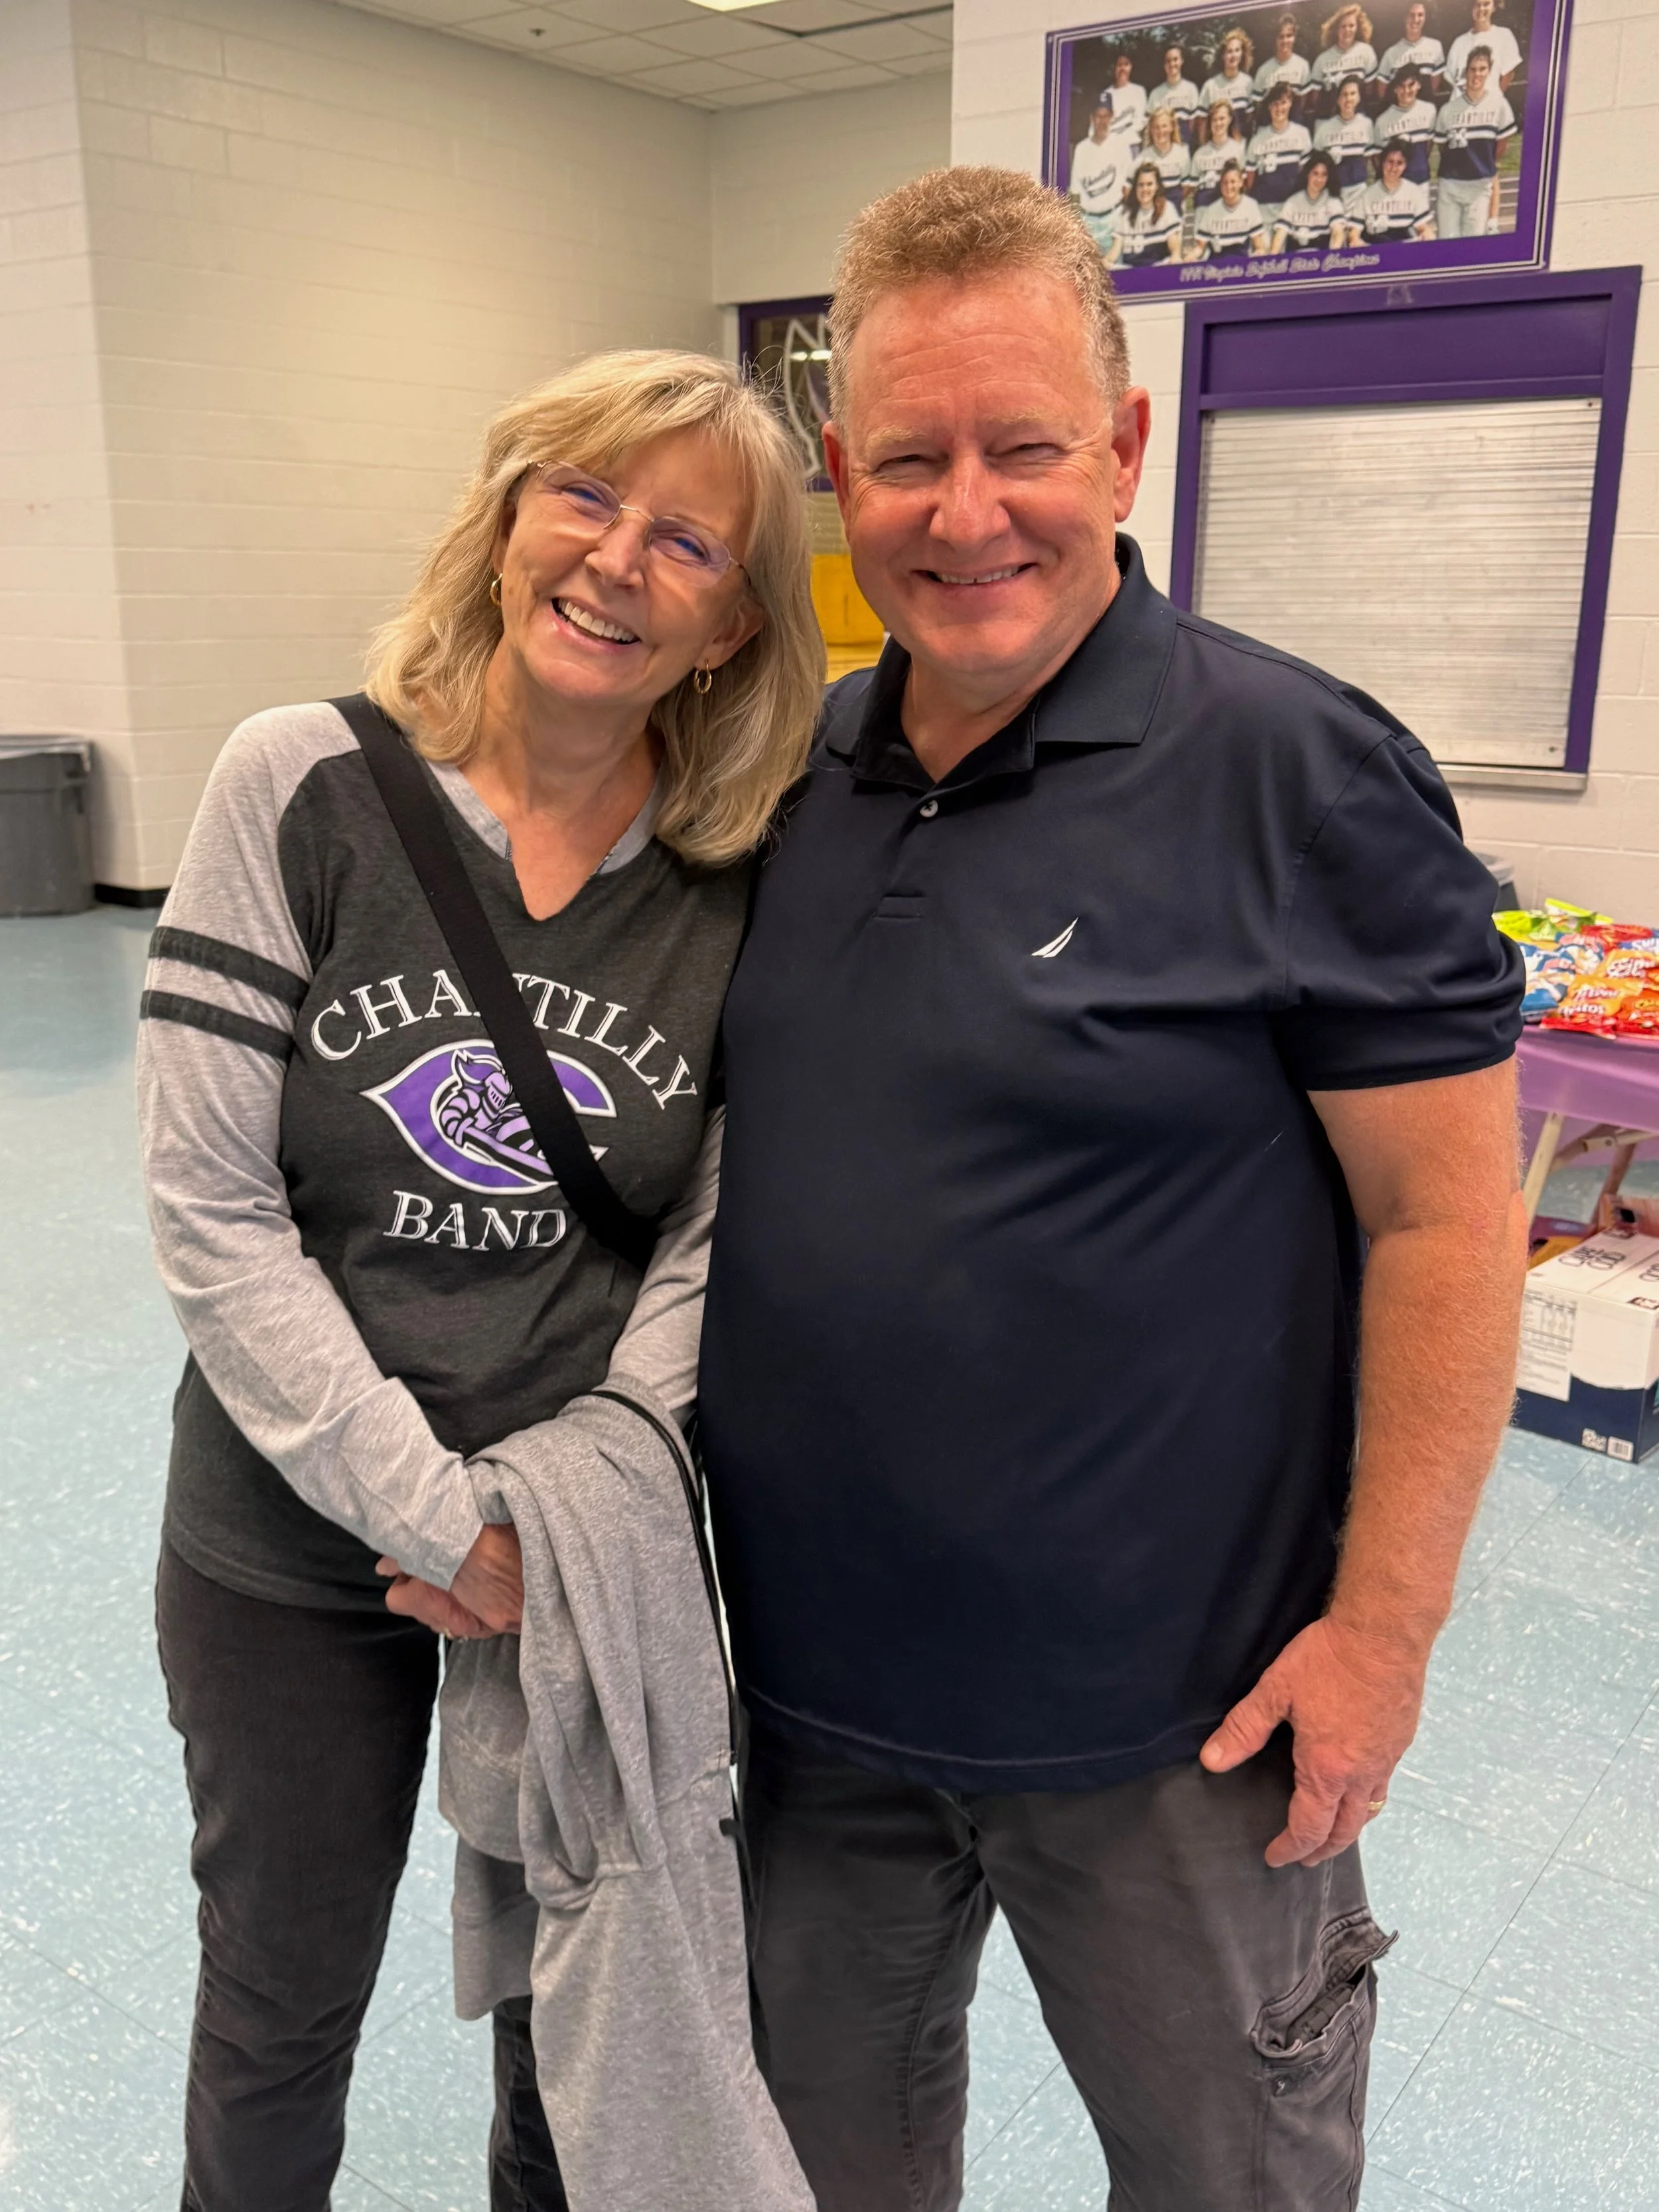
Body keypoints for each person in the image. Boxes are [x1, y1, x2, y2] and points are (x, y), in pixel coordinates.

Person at [699, 162, 1526, 2212]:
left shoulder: (1299, 773)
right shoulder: (781, 779)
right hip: (809, 1709)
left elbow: (1445, 1222)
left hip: (1174, 1727)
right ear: (835, 474)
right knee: (824, 2177)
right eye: (906, 457)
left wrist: (1380, 1636)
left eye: (1022, 447)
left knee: (1225, 2175)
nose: (964, 510)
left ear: (1126, 445)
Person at [139, 350, 822, 2212]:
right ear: (507, 516)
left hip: (574, 1554)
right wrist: (430, 1511)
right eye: (581, 496)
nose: (615, 560)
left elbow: (710, 1233)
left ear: (730, 623)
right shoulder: (300, 782)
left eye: (685, 540)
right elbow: (208, 1204)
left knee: (577, 2000)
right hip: (288, 1542)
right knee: (277, 2006)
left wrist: (549, 1503)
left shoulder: (742, 871)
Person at [1435, 43, 1517, 235]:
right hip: (1450, 186)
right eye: (1473, 70)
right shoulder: (1448, 111)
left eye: (1482, 69)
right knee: (1448, 243)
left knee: (1473, 243)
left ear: (1489, 72)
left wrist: (1483, 164)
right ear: (1466, 72)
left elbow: (1501, 145)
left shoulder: (1499, 106)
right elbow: (1442, 147)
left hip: (1480, 187)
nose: (1477, 74)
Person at [1245, 81, 1315, 216]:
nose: (1279, 108)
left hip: (1293, 207)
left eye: (1284, 103)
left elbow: (1306, 174)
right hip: (1265, 207)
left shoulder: (1302, 134)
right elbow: (1251, 179)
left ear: (1291, 104)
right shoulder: (1257, 140)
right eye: (1275, 104)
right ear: (1269, 107)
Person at [1070, 93, 1131, 250]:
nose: (1102, 121)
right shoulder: (1082, 148)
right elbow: (1075, 191)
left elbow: (1128, 188)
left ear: (1112, 117)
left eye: (1106, 116)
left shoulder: (1121, 145)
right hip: (1087, 221)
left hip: (1114, 219)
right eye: (1099, 116)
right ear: (1092, 118)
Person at [1315, 72, 1379, 218]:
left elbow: (1367, 160)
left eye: (1352, 94)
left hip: (1359, 191)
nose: (1348, 99)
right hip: (1333, 193)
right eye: (1344, 95)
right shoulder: (1325, 129)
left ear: (1359, 97)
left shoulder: (1366, 124)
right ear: (1338, 100)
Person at [1108, 161, 1184, 267]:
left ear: (1157, 186)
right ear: (1135, 188)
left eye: (1149, 184)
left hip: (1158, 270)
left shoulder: (1167, 209)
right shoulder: (1125, 214)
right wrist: (1104, 262)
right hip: (1131, 272)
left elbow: (1174, 247)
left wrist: (1176, 257)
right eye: (1141, 185)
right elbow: (1114, 251)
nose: (1145, 189)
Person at [1271, 147, 1353, 248]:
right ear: (1307, 174)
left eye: (1324, 175)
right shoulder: (1293, 201)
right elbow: (1280, 234)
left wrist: (1333, 256)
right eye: (1315, 174)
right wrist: (1273, 258)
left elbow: (1338, 232)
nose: (1319, 180)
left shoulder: (1333, 201)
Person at [1374, 62, 1439, 183]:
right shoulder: (1383, 120)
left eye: (1411, 85)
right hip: (1396, 185)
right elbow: (1378, 158)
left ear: (1419, 85)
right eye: (1401, 86)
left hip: (1421, 181)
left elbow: (1428, 147)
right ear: (1395, 89)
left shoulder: (1429, 111)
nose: (1406, 90)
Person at [1359, 137, 1437, 237]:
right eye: (1390, 162)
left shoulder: (1415, 193)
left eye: (1399, 163)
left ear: (1405, 166)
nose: (1393, 168)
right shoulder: (1368, 195)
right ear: (1383, 162)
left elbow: (1424, 228)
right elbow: (1355, 234)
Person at [1192, 157, 1270, 256]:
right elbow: (1200, 247)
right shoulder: (1211, 210)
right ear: (1220, 186)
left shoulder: (1251, 206)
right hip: (1217, 263)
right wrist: (1190, 258)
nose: (1229, 187)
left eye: (1233, 182)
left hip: (1241, 262)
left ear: (1241, 183)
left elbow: (1259, 246)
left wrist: (1259, 254)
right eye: (1225, 183)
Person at [1310, 3, 1380, 109]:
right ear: (1336, 29)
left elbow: (1370, 90)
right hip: (1332, 115)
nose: (1347, 30)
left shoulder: (1366, 52)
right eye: (1343, 26)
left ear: (1358, 27)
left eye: (1351, 26)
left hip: (1359, 114)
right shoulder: (1322, 60)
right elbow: (1315, 97)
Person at [1199, 26, 1259, 140]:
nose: (1233, 55)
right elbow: (1202, 122)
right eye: (1229, 51)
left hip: (1240, 147)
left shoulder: (1248, 83)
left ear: (1242, 53)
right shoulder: (1210, 86)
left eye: (1237, 50)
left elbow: (1250, 120)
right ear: (1223, 56)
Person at [1447, 0, 1522, 89]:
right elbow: (1451, 78)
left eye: (1486, 4)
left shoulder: (1504, 35)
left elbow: (1509, 74)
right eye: (1477, 5)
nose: (1481, 9)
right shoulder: (1459, 42)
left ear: (1494, 7)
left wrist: (1495, 98)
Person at [1376, 0, 1447, 94]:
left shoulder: (1435, 47)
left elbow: (1434, 89)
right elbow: (1382, 91)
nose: (1416, 20)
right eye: (1411, 15)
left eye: (1420, 15)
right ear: (1404, 17)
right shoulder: (1391, 53)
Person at [1191, 96, 1249, 206]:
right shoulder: (1200, 154)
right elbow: (1192, 189)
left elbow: (1243, 186)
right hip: (1204, 212)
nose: (1218, 123)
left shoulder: (1237, 151)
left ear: (1230, 119)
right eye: (1215, 119)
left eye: (1222, 119)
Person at [1253, 12, 1313, 113]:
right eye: (1281, 37)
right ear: (1275, 39)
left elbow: (1304, 104)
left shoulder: (1303, 66)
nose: (1285, 40)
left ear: (1294, 37)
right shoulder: (1263, 70)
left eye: (1289, 36)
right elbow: (1259, 107)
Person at [1147, 39, 1202, 141]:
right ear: (1164, 65)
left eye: (1175, 59)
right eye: (1168, 61)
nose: (1172, 64)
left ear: (1181, 61)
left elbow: (1193, 124)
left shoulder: (1191, 89)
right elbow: (1151, 127)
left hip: (1184, 148)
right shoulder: (1156, 93)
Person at [1104, 46, 1149, 153]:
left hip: (1131, 146)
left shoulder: (1139, 91)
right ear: (1114, 68)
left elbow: (1140, 122)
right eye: (1119, 65)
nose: (1123, 69)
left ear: (1131, 67)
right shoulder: (1106, 94)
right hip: (1111, 146)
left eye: (1126, 65)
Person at [1143, 100, 1194, 196]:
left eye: (1164, 126)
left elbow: (1186, 187)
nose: (1161, 131)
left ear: (1172, 127)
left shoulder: (1181, 154)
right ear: (1151, 130)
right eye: (1156, 127)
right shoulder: (1144, 157)